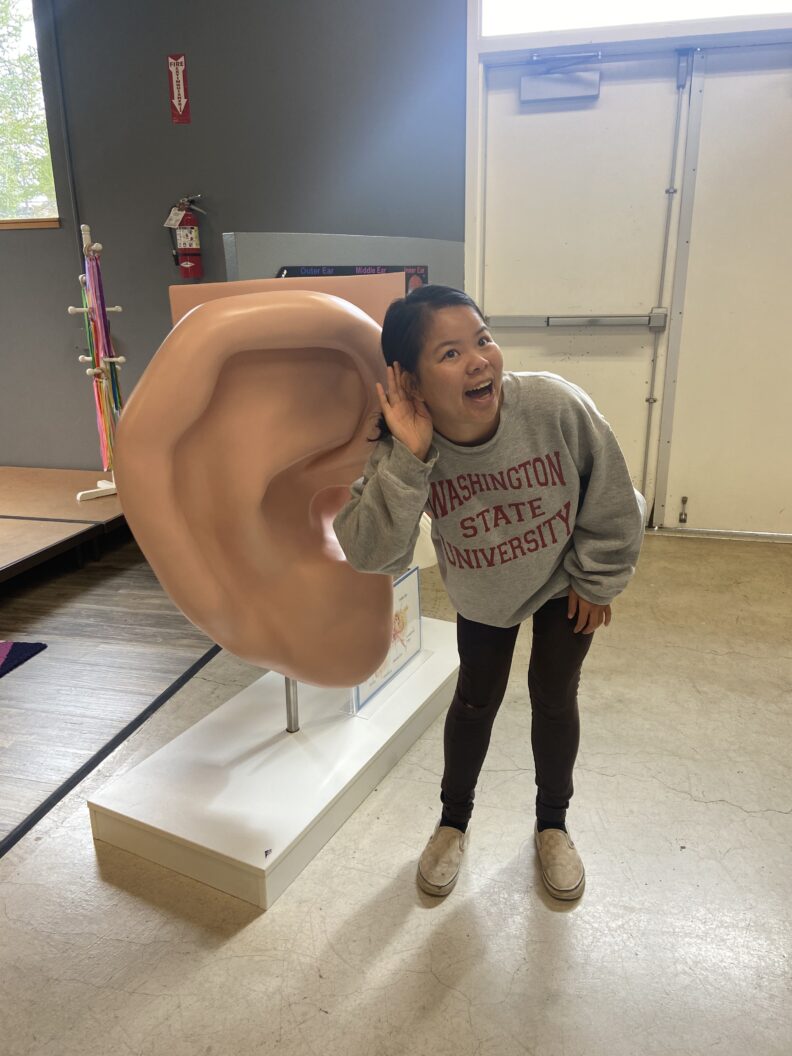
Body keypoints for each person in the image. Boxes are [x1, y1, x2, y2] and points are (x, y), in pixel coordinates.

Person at [333, 285, 646, 901]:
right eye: (450, 353)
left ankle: (552, 825)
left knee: (555, 697)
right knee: (476, 702)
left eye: (483, 339)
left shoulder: (553, 405)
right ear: (410, 381)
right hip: (484, 594)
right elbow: (371, 552)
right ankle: (453, 822)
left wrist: (598, 579)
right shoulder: (408, 449)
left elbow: (611, 494)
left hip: (565, 583)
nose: (480, 360)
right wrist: (411, 458)